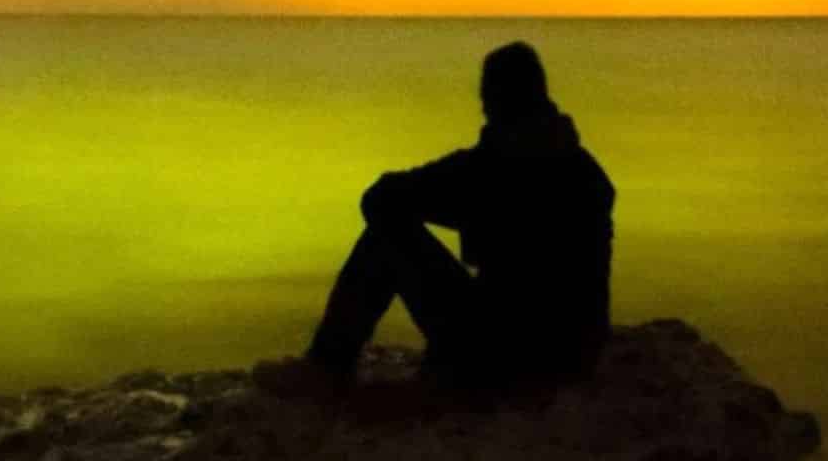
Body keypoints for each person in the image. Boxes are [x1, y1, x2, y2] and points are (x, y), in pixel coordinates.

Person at [255, 41, 615, 397]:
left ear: (494, 101)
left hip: (509, 359)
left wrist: (444, 213)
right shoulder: (586, 171)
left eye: (487, 99)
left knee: (384, 237)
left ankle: (327, 365)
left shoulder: (493, 168)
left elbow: (380, 197)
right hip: (574, 359)